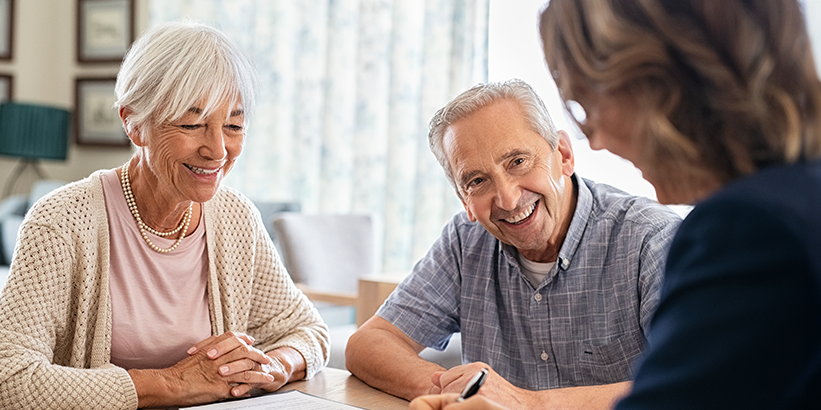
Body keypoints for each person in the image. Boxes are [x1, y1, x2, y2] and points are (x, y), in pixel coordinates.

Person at [410, 0, 821, 408]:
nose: (599, 137)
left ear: (663, 84)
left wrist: (525, 405)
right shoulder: (798, 199)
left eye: (589, 104)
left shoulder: (749, 230)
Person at [0, 21, 329, 409]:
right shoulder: (61, 222)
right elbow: (11, 378)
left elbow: (308, 331)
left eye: (234, 125)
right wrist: (174, 384)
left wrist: (272, 367)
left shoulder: (236, 217)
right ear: (134, 123)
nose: (218, 150)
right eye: (192, 124)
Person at [346, 79, 682, 409]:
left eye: (517, 162)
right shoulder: (466, 241)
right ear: (465, 200)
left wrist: (528, 404)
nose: (507, 199)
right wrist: (457, 391)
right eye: (477, 181)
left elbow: (697, 383)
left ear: (563, 155)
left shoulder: (652, 240)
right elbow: (368, 344)